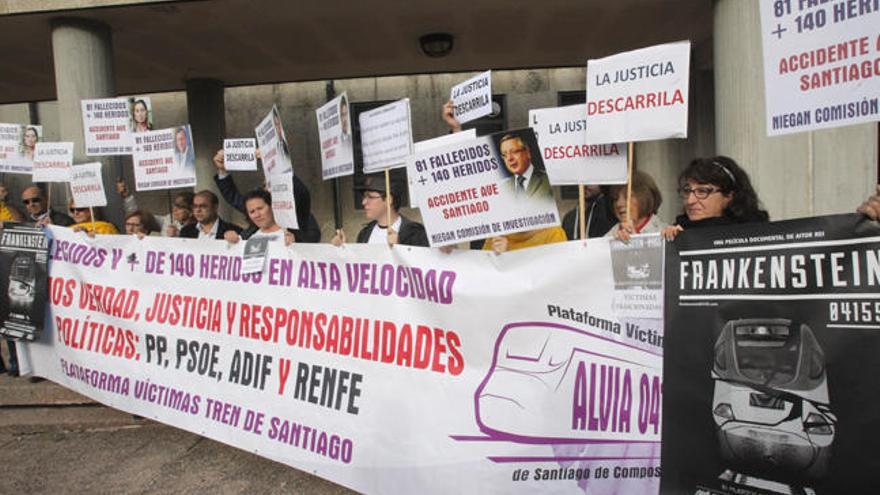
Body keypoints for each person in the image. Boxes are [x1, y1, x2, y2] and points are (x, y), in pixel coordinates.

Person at [211, 149, 320, 242]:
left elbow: (301, 192)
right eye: (252, 211)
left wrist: (274, 163)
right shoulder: (250, 231)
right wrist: (222, 169)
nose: (256, 214)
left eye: (272, 184)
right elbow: (233, 197)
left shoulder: (297, 215)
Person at [661, 156, 768, 240]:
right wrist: (672, 244)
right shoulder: (678, 231)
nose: (690, 201)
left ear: (729, 196)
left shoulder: (758, 236)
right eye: (687, 191)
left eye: (702, 191)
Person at [331, 174, 428, 247]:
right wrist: (342, 250)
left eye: (370, 197)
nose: (364, 202)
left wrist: (400, 248)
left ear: (388, 199)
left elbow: (422, 268)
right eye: (364, 197)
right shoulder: (364, 234)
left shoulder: (415, 234)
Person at [605, 171, 665, 241]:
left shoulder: (663, 232)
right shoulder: (610, 235)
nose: (619, 204)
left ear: (645, 197)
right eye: (615, 198)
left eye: (627, 197)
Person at [224, 189, 294, 246]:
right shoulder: (246, 236)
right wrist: (229, 238)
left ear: (271, 206)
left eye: (260, 208)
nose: (257, 215)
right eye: (252, 212)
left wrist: (296, 244)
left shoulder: (292, 234)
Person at [498, 133, 551, 199]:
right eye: (504, 155)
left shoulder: (548, 180)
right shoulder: (503, 188)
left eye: (514, 151)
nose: (509, 158)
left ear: (528, 153)